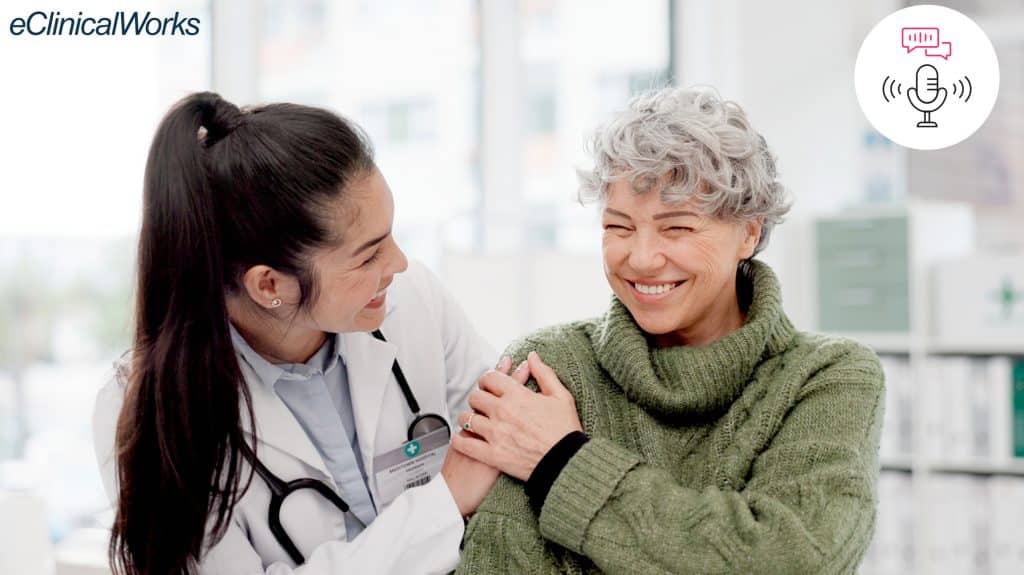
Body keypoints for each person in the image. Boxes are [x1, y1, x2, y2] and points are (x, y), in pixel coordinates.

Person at [452, 86, 885, 574]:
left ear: (748, 232)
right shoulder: (550, 365)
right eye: (618, 228)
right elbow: (502, 561)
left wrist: (561, 462)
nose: (640, 258)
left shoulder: (829, 376)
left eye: (676, 228)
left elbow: (791, 560)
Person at [91, 92, 522, 575]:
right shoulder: (150, 410)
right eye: (367, 255)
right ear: (268, 285)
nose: (398, 264)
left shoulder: (411, 301)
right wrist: (444, 505)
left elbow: (506, 442)